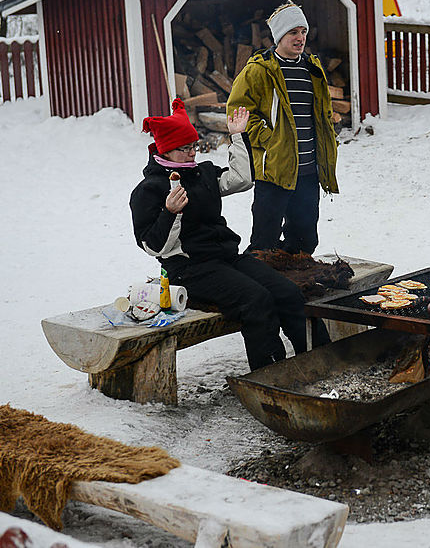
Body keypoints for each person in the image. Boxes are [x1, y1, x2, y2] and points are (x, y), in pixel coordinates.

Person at [130, 99, 325, 371]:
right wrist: (169, 212)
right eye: (184, 149)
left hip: (226, 258)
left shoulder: (202, 174)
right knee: (256, 300)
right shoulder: (149, 189)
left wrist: (237, 137)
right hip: (189, 269)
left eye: (193, 147)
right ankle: (270, 374)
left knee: (288, 292)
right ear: (165, 150)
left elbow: (241, 179)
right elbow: (154, 246)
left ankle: (323, 358)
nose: (191, 154)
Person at [227, 1, 338, 255]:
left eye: (303, 32)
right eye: (293, 33)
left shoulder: (312, 69)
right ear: (279, 36)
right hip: (275, 168)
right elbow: (238, 112)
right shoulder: (258, 71)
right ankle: (261, 289)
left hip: (309, 170)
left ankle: (297, 287)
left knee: (304, 240)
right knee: (264, 242)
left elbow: (322, 113)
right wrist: (270, 139)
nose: (300, 39)